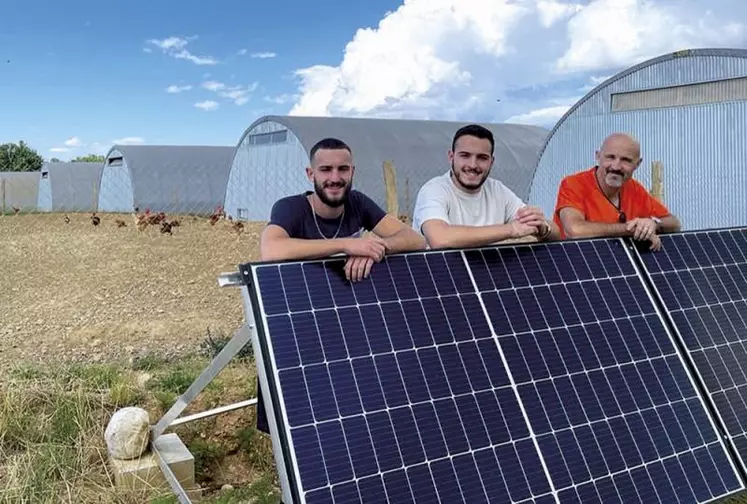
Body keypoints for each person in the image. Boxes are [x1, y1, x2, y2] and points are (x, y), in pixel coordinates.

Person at [256, 136, 426, 434]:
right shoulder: (291, 208)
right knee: (296, 418)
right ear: (311, 175)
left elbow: (415, 239)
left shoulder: (358, 203)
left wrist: (377, 247)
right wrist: (348, 245)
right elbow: (272, 250)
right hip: (297, 324)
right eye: (326, 170)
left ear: (352, 172)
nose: (335, 178)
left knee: (343, 409)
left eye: (342, 169)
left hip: (341, 323)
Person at [412, 123, 560, 248]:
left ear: (491, 161)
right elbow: (440, 238)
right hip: (441, 277)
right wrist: (511, 229)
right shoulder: (434, 190)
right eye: (465, 156)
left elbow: (556, 233)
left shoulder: (497, 190)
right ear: (451, 157)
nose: (473, 165)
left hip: (485, 275)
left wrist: (542, 227)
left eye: (482, 158)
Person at [553, 132, 681, 250]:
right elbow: (575, 230)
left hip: (618, 262)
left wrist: (653, 224)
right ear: (598, 156)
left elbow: (674, 223)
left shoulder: (634, 188)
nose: (616, 166)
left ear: (638, 164)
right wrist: (633, 229)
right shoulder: (574, 184)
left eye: (626, 160)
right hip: (577, 262)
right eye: (610, 157)